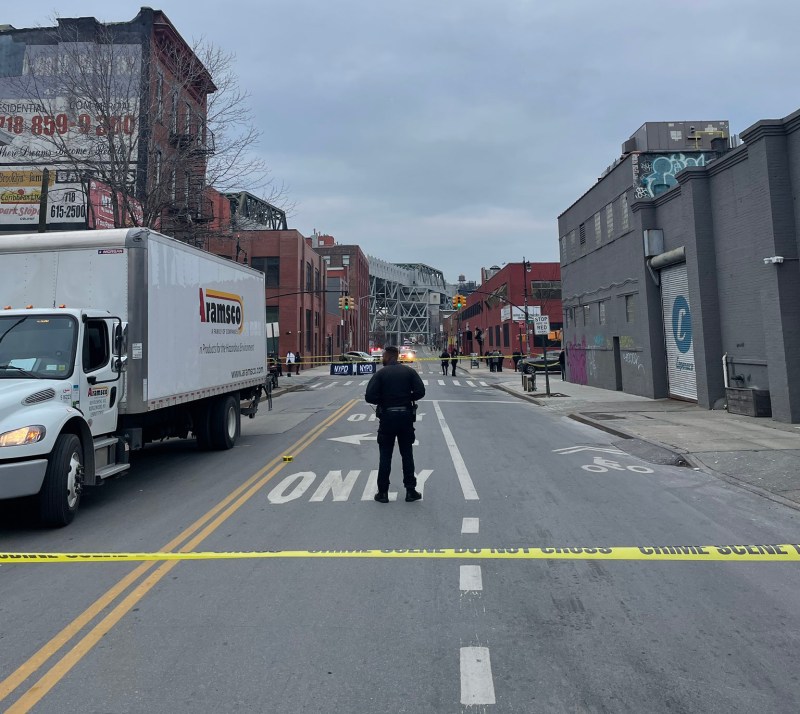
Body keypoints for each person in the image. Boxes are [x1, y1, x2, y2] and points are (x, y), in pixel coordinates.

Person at [365, 345, 426, 503]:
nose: (382, 358)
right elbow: (421, 392)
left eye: (383, 356)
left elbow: (369, 396)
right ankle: (410, 491)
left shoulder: (381, 374)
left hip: (387, 417)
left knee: (385, 455)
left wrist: (384, 400)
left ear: (389, 356)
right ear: (398, 356)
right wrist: (407, 397)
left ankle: (383, 493)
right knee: (407, 454)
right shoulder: (409, 372)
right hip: (405, 416)